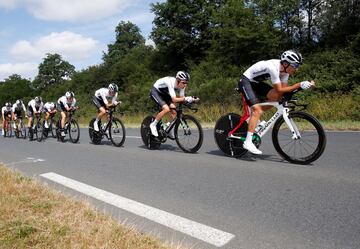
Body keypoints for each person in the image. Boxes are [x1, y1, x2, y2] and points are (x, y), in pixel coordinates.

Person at [238, 50, 315, 155]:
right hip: (246, 81)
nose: (296, 69)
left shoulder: (285, 72)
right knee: (257, 110)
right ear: (285, 63)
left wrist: (302, 87)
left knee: (277, 98)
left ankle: (254, 116)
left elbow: (283, 92)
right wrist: (299, 85)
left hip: (256, 83)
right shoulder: (272, 67)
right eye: (295, 65)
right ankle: (247, 142)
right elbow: (279, 89)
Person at [149, 71, 199, 137]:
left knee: (174, 112)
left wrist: (191, 100)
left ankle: (168, 128)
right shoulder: (170, 82)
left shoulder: (182, 86)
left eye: (186, 83)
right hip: (155, 91)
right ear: (178, 80)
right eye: (183, 83)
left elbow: (182, 99)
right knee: (166, 109)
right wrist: (186, 98)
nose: (185, 85)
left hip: (164, 93)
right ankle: (153, 124)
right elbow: (174, 99)